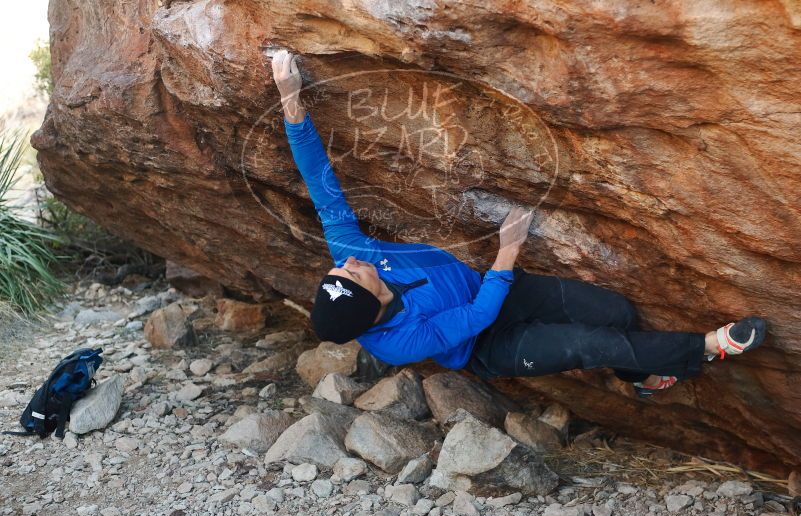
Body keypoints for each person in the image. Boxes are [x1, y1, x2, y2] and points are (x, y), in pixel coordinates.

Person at [268, 50, 767, 397]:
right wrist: (508, 248)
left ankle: (638, 375)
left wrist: (290, 99)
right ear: (375, 303)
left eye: (340, 269)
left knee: (614, 311)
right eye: (352, 274)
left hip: (495, 288)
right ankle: (707, 347)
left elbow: (320, 181)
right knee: (588, 343)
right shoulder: (399, 343)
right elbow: (478, 319)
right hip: (490, 344)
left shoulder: (353, 250)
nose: (351, 261)